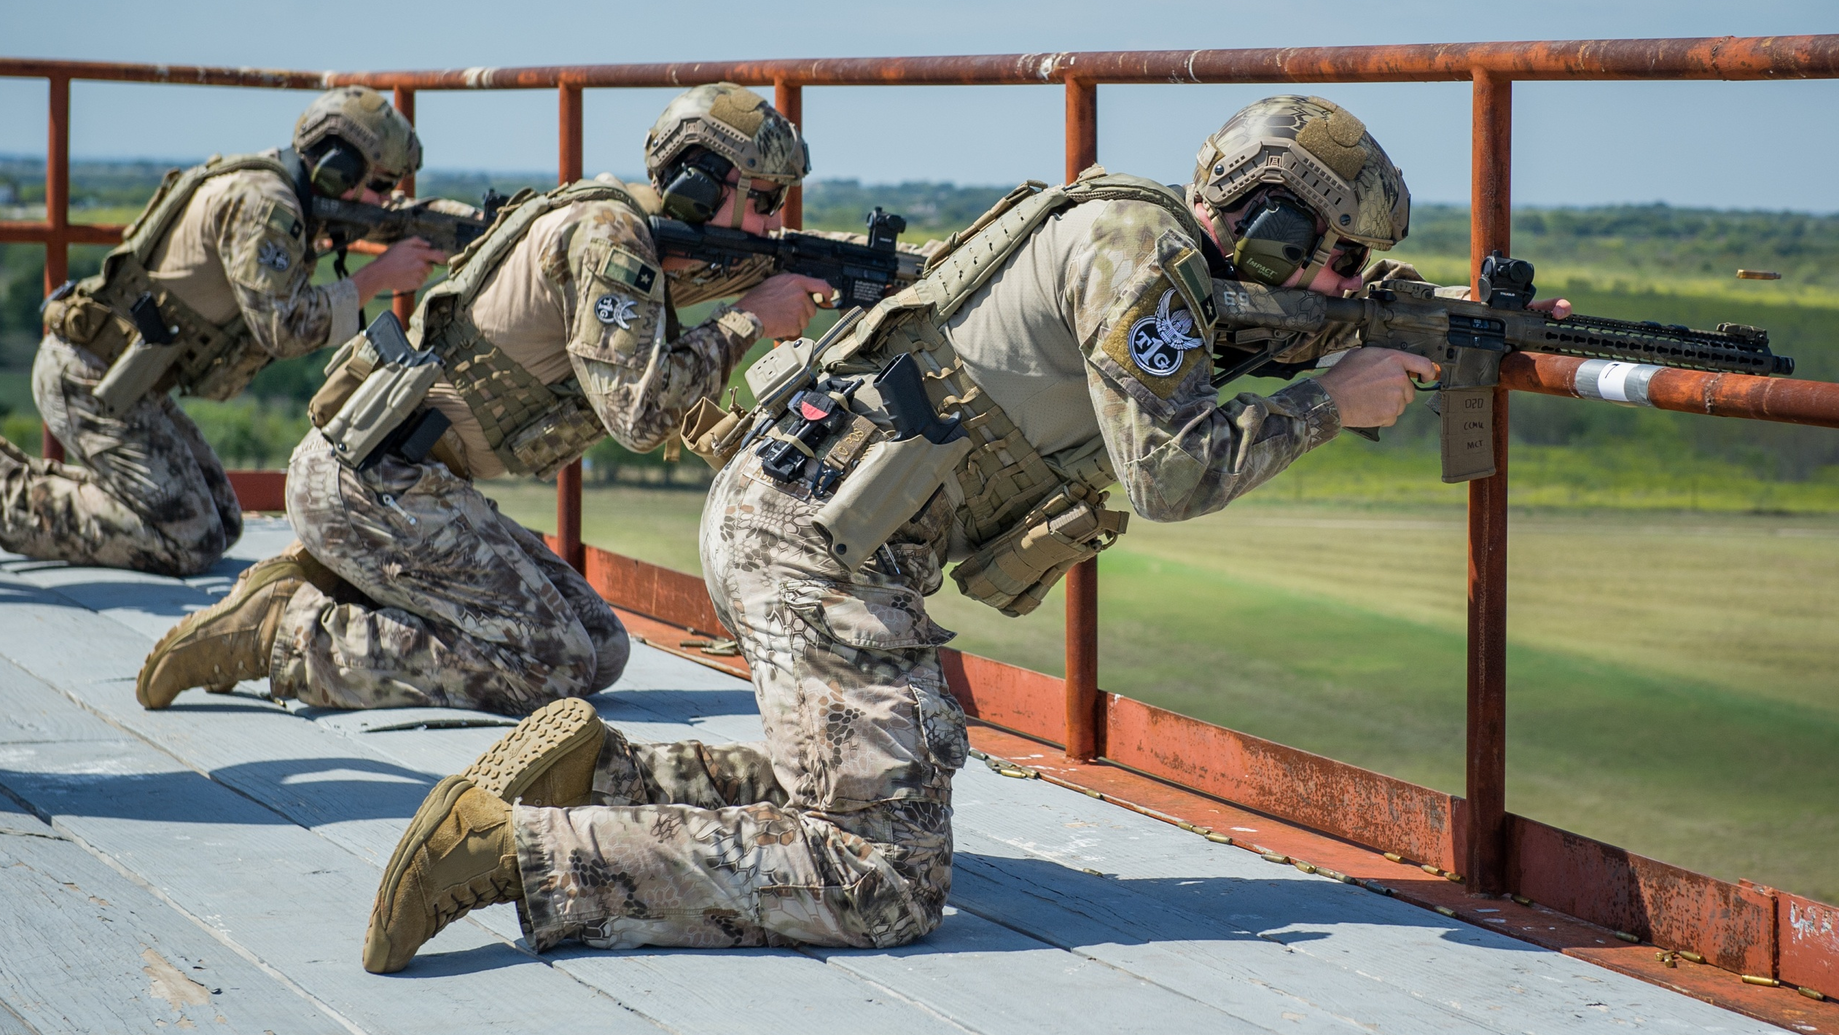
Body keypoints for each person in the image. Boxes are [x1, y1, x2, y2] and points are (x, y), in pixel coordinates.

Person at [362, 96, 1569, 971]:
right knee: (879, 884)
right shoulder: (1135, 261)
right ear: (1271, 236)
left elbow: (1258, 332)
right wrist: (1329, 401)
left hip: (816, 526)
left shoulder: (1157, 254)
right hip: (815, 548)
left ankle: (608, 775)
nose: (1343, 287)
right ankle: (516, 856)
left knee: (901, 772)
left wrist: (1444, 323)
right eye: (1337, 261)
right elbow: (1172, 473)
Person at [135, 83, 833, 715]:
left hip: (410, 482)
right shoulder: (608, 239)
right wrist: (747, 321)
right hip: (369, 482)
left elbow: (719, 279)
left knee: (599, 644)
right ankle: (287, 637)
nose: (773, 222)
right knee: (551, 663)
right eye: (766, 199)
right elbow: (639, 417)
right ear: (699, 183)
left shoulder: (640, 242)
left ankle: (339, 592)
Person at [0, 86, 443, 577]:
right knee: (190, 539)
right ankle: (8, 501)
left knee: (223, 520)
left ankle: (35, 488)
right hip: (90, 379)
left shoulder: (286, 187)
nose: (385, 200)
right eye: (381, 185)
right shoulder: (262, 206)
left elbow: (386, 219)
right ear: (338, 171)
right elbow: (285, 328)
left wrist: (467, 226)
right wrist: (377, 278)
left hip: (127, 378)